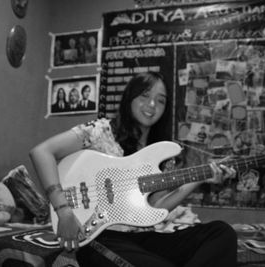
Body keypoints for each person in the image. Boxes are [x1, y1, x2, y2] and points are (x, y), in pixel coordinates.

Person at [30, 72, 237, 267]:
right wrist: (64, 211)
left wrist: (201, 179)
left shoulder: (162, 153)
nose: (152, 105)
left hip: (144, 237)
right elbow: (42, 152)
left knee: (222, 233)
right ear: (130, 97)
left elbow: (157, 206)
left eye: (161, 100)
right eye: (145, 96)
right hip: (102, 236)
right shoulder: (101, 131)